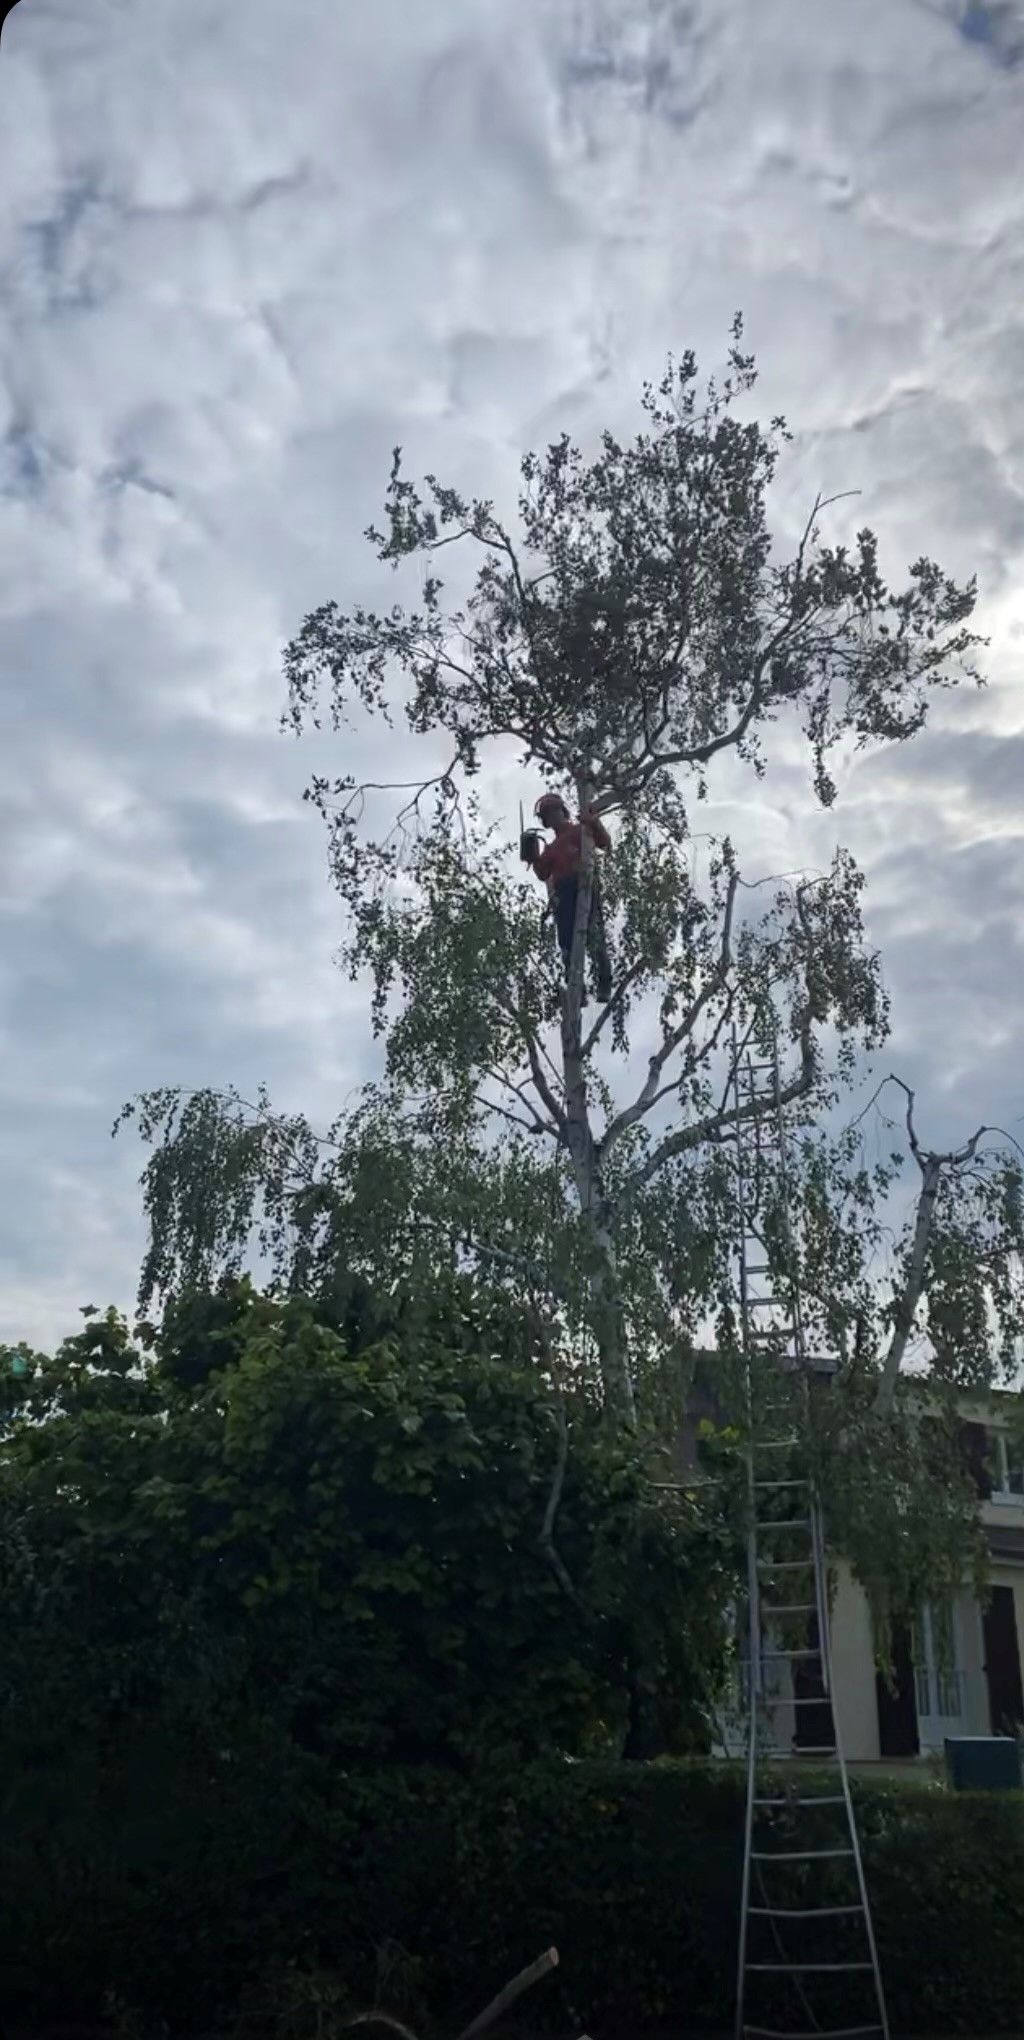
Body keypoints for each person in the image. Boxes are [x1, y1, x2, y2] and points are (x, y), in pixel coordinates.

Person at [520, 792, 613, 1003]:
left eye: (554, 812)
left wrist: (594, 823)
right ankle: (576, 989)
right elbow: (543, 873)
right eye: (548, 815)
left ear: (562, 811)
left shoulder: (581, 831)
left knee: (594, 935)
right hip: (564, 893)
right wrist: (533, 857)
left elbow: (605, 842)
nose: (553, 818)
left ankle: (604, 982)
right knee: (567, 944)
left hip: (585, 885)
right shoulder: (551, 849)